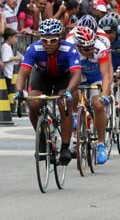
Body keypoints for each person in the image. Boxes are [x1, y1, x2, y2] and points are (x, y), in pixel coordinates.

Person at [14, 19, 82, 165]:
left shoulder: (69, 49)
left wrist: (69, 91)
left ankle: (65, 147)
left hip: (64, 78)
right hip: (43, 77)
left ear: (60, 38)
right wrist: (19, 91)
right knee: (33, 103)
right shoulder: (34, 49)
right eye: (44, 41)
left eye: (52, 41)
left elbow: (76, 75)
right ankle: (42, 139)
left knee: (64, 103)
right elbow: (23, 73)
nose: (48, 44)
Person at [67, 26, 112, 164]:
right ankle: (75, 114)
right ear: (78, 46)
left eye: (91, 47)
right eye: (86, 49)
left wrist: (104, 95)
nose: (90, 50)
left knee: (98, 106)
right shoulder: (69, 47)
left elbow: (107, 75)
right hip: (77, 74)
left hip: (95, 75)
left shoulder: (100, 49)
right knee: (71, 90)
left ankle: (100, 144)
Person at [2, 28, 21, 101]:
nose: (16, 39)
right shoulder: (5, 46)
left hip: (9, 73)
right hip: (7, 74)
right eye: (15, 37)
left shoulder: (9, 46)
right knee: (7, 91)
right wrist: (15, 58)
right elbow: (5, 58)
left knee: (10, 91)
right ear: (10, 37)